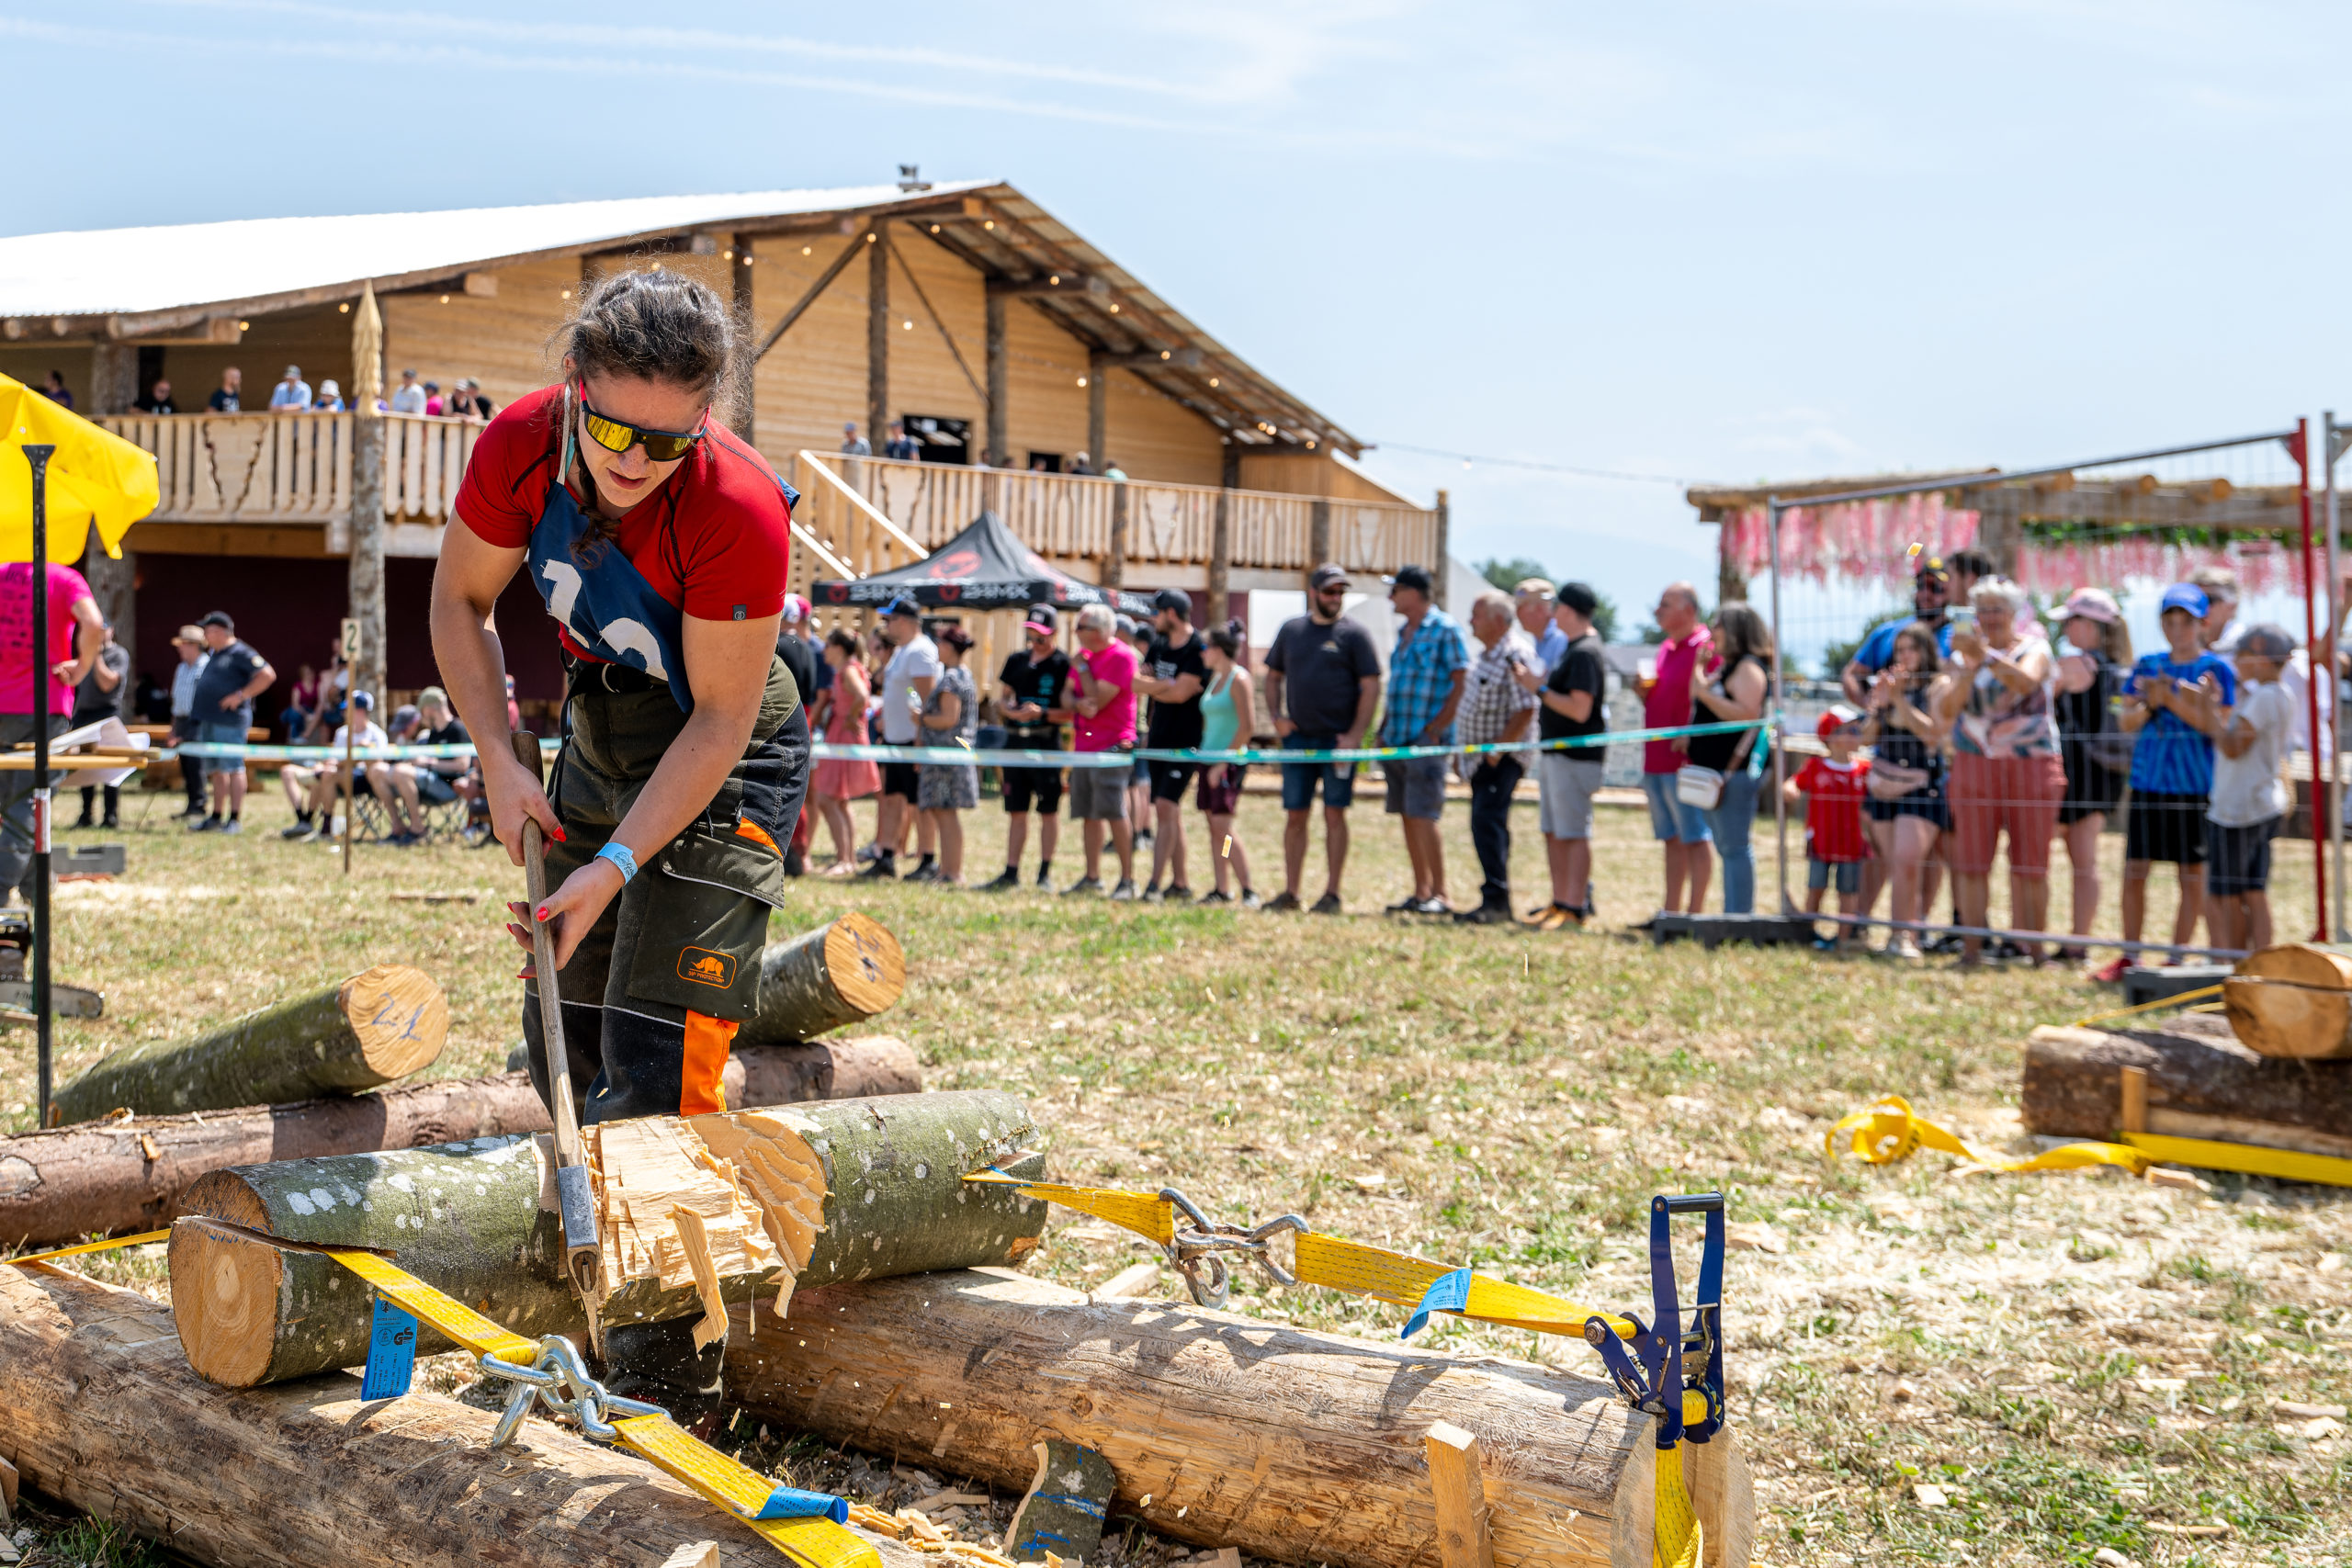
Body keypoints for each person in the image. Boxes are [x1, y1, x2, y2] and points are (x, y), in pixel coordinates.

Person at [428, 265, 805, 1422]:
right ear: (571, 385)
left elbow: (721, 718)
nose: (636, 459)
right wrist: (499, 757)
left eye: (669, 439)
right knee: (564, 1045)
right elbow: (458, 604)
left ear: (707, 421)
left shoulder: (739, 508)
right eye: (611, 427)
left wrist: (614, 866)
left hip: (719, 752)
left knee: (654, 1064)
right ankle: (568, 1320)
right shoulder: (517, 449)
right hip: (597, 729)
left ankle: (670, 1391)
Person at [2107, 583, 2233, 978]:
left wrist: (2171, 698)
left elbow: (2219, 730)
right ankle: (2130, 954)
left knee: (2191, 874)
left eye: (2186, 621)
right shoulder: (2146, 663)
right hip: (2147, 782)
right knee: (2135, 870)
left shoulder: (2217, 669)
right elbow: (2125, 721)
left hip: (2194, 786)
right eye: (2170, 620)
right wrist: (2150, 704)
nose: (2177, 629)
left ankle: (2177, 956)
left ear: (2203, 623)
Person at [1936, 577, 2063, 966]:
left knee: (2031, 864)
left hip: (2032, 764)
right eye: (1983, 609)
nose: (1990, 617)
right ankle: (1972, 949)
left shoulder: (2036, 647)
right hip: (1974, 763)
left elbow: (2025, 682)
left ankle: (2035, 950)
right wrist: (1971, 667)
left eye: (1997, 609)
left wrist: (1986, 655)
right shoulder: (1961, 658)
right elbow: (1947, 710)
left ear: (2013, 614)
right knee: (1971, 860)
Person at [1263, 563, 1380, 912]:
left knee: (1334, 814)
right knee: (1295, 815)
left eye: (1341, 592)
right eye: (1330, 591)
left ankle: (1332, 893)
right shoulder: (1292, 630)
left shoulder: (1355, 635)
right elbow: (1272, 677)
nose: (1336, 598)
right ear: (1313, 593)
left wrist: (1355, 736)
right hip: (1298, 740)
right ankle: (1291, 891)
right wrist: (1276, 718)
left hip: (1338, 742)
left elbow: (1371, 687)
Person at [2177, 625, 2294, 954]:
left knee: (2226, 895)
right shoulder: (2278, 695)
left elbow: (2232, 747)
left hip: (2239, 811)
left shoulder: (2264, 698)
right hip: (2258, 804)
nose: (2236, 663)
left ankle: (2237, 962)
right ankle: (2256, 963)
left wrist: (2208, 710)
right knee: (2253, 891)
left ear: (2259, 657)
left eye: (2240, 656)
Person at [0, 558, 102, 896]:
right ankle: (2, 890)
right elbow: (93, 622)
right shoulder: (62, 578)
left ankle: (35, 888)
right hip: (43, 705)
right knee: (29, 803)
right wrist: (83, 666)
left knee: (9, 804)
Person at [1380, 564, 1470, 915]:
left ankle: (1441, 893)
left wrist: (1436, 729)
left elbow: (1460, 682)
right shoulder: (1405, 632)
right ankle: (1421, 891)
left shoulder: (1445, 630)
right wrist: (1385, 729)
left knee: (1424, 816)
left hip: (1426, 742)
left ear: (1415, 593)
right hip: (1399, 739)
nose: (1391, 598)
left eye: (1396, 590)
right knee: (1407, 814)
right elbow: (1398, 687)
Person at [1860, 622, 1951, 959]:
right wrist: (1880, 704)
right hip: (1884, 784)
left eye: (1912, 648)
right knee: (1895, 864)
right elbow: (1867, 738)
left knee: (1907, 860)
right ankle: (1899, 932)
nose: (1905, 655)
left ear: (1926, 651)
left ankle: (1905, 936)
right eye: (1900, 649)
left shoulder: (1937, 686)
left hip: (1920, 786)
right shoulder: (1886, 685)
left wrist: (1899, 699)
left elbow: (1932, 734)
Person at [1523, 581, 1609, 930]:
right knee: (1555, 831)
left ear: (1569, 611)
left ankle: (1574, 906)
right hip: (1558, 755)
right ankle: (1560, 902)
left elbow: (1579, 709)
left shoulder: (1586, 652)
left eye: (1557, 608)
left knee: (1573, 833)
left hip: (1576, 757)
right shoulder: (1574, 648)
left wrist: (1538, 688)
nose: (1553, 614)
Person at [2052, 588, 2132, 960]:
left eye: (2071, 620)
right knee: (2085, 860)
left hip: (2076, 772)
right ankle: (2078, 940)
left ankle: (2075, 941)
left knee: (2075, 858)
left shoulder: (2075, 665)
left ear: (2091, 625)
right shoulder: (2116, 667)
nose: (2066, 627)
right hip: (2103, 772)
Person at [1453, 591, 1540, 924]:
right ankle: (1493, 895)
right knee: (1483, 823)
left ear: (1497, 620)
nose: (1471, 621)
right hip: (1481, 758)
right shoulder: (1486, 654)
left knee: (1488, 823)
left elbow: (1526, 707)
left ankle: (1497, 899)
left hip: (1500, 759)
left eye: (1476, 614)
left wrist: (1497, 750)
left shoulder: (1514, 653)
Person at [1683, 604, 1774, 916]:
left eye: (1719, 624)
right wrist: (1699, 667)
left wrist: (1707, 695)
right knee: (1726, 846)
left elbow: (1746, 715)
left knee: (1735, 847)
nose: (1712, 630)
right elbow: (1697, 690)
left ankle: (1738, 916)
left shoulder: (1748, 667)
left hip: (1735, 770)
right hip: (1717, 771)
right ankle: (1733, 913)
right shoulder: (1728, 666)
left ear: (1736, 630)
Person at [1639, 581, 1714, 919]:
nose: (1658, 611)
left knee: (1695, 837)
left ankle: (1694, 914)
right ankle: (1671, 913)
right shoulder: (1667, 648)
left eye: (1665, 604)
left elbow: (1709, 701)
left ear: (1688, 609)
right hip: (1656, 757)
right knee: (1671, 837)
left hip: (1686, 761)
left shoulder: (1707, 648)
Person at [987, 607, 1071, 891]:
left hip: (1046, 741)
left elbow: (1071, 712)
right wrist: (1009, 711)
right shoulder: (1016, 660)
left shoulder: (1063, 664)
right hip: (1015, 741)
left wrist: (1042, 713)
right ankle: (1011, 871)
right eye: (1031, 635)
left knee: (1048, 810)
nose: (1035, 642)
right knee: (1016, 810)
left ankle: (1044, 873)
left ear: (1054, 634)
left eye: (1041, 637)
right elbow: (1001, 700)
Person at [1136, 588, 1207, 901]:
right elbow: (1137, 683)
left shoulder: (1198, 647)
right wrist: (1167, 685)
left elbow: (1183, 695)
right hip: (1158, 737)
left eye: (1158, 611)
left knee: (1166, 807)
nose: (1153, 617)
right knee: (1171, 813)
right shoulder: (1159, 644)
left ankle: (1154, 884)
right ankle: (1180, 883)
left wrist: (1156, 687)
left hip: (1186, 741)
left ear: (1172, 614)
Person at [1065, 602, 1138, 898]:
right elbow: (1067, 695)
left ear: (1097, 631)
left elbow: (1096, 702)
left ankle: (1127, 880)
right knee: (1088, 813)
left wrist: (1082, 670)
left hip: (1112, 746)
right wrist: (1076, 702)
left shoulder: (1121, 656)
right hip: (1084, 746)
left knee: (1113, 812)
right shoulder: (1086, 656)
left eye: (1079, 627)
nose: (1075, 633)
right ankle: (1092, 877)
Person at [865, 596, 939, 880]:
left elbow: (927, 699)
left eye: (890, 619)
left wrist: (921, 736)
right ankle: (886, 856)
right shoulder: (903, 651)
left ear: (905, 621)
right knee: (893, 799)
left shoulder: (920, 651)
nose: (886, 625)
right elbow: (904, 692)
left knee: (919, 803)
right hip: (896, 739)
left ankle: (927, 858)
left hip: (912, 741)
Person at [1789, 707, 1871, 951]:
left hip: (1852, 845)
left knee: (1848, 894)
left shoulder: (1864, 770)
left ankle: (1843, 940)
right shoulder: (1815, 766)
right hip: (1821, 843)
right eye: (1851, 731)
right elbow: (1795, 783)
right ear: (1832, 736)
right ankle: (1808, 934)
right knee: (1816, 888)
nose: (1857, 735)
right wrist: (1790, 788)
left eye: (1857, 730)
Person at [188, 611, 275, 835]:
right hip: (210, 719)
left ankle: (234, 818)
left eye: (207, 631)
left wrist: (240, 696)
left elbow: (267, 674)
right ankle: (216, 816)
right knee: (217, 770)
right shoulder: (216, 653)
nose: (205, 635)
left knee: (233, 768)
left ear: (219, 631)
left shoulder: (241, 652)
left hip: (230, 722)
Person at [1194, 620, 1260, 907]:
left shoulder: (1238, 679)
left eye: (1205, 647)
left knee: (1224, 827)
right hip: (1208, 760)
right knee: (1214, 827)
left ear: (1218, 649)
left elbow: (1247, 726)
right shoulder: (1215, 679)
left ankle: (1248, 888)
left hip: (1228, 763)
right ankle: (1222, 888)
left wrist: (1223, 763)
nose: (1202, 653)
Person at [1839, 558, 1954, 706]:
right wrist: (1871, 706)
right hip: (1889, 725)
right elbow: (1852, 674)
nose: (1926, 593)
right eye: (1920, 585)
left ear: (1949, 592)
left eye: (1935, 587)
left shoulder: (1958, 638)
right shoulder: (1887, 632)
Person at [811, 628, 881, 874]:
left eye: (828, 645)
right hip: (842, 736)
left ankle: (844, 859)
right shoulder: (849, 668)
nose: (824, 650)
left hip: (844, 736)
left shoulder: (848, 670)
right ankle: (847, 859)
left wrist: (851, 716)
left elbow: (861, 696)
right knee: (839, 800)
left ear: (839, 648)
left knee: (826, 798)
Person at [916, 625, 978, 886]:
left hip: (945, 757)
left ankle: (952, 872)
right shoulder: (963, 674)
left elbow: (948, 719)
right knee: (944, 813)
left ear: (950, 647)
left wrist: (921, 718)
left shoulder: (952, 678)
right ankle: (948, 870)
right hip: (953, 756)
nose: (936, 647)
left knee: (946, 813)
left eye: (940, 643)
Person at [367, 691, 469, 846]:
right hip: (426, 780)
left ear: (430, 709)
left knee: (401, 772)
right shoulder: (433, 733)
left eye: (422, 710)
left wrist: (427, 762)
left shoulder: (458, 728)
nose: (421, 716)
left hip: (448, 786)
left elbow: (462, 766)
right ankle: (397, 826)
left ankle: (417, 828)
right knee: (376, 771)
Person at [281, 691, 385, 840]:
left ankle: (324, 828)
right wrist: (324, 764)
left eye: (348, 709)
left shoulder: (376, 734)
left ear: (360, 711)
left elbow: (378, 763)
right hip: (333, 773)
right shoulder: (342, 733)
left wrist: (353, 756)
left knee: (327, 774)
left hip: (361, 780)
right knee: (293, 771)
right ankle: (304, 821)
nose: (343, 713)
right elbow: (334, 759)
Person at [70, 619, 131, 829]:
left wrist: (95, 656)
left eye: (101, 630)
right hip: (83, 715)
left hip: (106, 714)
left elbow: (107, 684)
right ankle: (86, 815)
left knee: (109, 767)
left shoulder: (118, 654)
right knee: (85, 766)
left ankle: (110, 816)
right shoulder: (84, 654)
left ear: (111, 631)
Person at [774, 594, 818, 876]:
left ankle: (789, 854)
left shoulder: (778, 647)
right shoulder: (809, 649)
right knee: (801, 792)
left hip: (782, 722)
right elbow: (813, 693)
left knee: (783, 791)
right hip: (805, 721)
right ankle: (802, 852)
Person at [167, 624, 209, 819]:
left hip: (199, 720)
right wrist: (174, 728)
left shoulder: (207, 666)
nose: (179, 648)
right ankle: (191, 804)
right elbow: (176, 700)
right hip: (183, 720)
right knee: (185, 763)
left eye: (183, 644)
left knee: (196, 763)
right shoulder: (181, 668)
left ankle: (200, 804)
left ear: (194, 645)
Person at [1118, 615, 1154, 834]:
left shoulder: (1128, 656)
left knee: (1131, 785)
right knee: (1141, 781)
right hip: (1139, 727)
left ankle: (1133, 832)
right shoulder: (1139, 656)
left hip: (1130, 728)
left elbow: (1136, 693)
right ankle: (1143, 831)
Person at [1513, 579, 1567, 671]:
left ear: (1539, 610)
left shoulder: (1560, 640)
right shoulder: (1540, 638)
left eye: (1520, 608)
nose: (1517, 613)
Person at [2191, 564, 2242, 663]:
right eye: (2195, 601)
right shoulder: (2185, 647)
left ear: (2232, 606)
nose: (2201, 607)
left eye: (2209, 600)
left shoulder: (2246, 645)